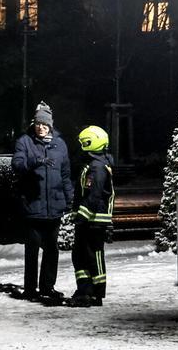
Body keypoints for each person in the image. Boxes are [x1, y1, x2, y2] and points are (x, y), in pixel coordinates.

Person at [11, 101, 74, 301]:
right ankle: (30, 289)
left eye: (44, 124)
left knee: (51, 249)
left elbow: (65, 175)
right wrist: (36, 161)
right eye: (38, 124)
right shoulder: (25, 142)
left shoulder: (60, 144)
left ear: (50, 125)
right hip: (32, 204)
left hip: (54, 206)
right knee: (32, 249)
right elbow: (17, 165)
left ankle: (48, 287)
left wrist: (69, 198)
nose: (41, 127)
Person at [67, 125, 114, 308]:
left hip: (94, 220)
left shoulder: (97, 167)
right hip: (90, 219)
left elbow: (93, 195)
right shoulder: (96, 164)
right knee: (80, 255)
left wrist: (82, 215)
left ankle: (95, 292)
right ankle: (84, 290)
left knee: (93, 255)